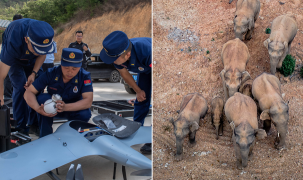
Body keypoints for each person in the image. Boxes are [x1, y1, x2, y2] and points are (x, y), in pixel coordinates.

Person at [0, 18, 55, 134]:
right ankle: (20, 127)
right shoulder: (13, 40)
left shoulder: (45, 35)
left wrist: (34, 73)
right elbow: (1, 76)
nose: (38, 52)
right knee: (20, 88)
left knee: (36, 88)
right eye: (36, 49)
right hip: (15, 61)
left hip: (33, 62)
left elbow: (42, 55)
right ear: (26, 40)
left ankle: (33, 124)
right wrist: (0, 101)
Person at [100, 31, 152, 154]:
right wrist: (138, 91)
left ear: (127, 55)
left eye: (113, 59)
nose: (110, 62)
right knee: (141, 99)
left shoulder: (148, 50)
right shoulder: (118, 53)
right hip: (145, 71)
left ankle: (152, 138)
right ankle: (134, 131)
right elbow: (124, 73)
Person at [24, 48, 93, 137]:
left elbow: (88, 101)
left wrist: (65, 107)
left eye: (74, 68)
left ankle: (72, 136)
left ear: (80, 66)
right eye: (66, 67)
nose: (70, 71)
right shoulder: (51, 73)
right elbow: (29, 92)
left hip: (72, 108)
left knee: (85, 113)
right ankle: (46, 136)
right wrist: (38, 109)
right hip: (52, 108)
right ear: (61, 63)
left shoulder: (84, 76)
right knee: (42, 99)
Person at [3, 14, 24, 99]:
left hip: (17, 59)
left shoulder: (23, 31)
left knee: (16, 81)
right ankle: (8, 97)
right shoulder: (8, 31)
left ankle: (10, 97)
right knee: (8, 78)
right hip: (9, 58)